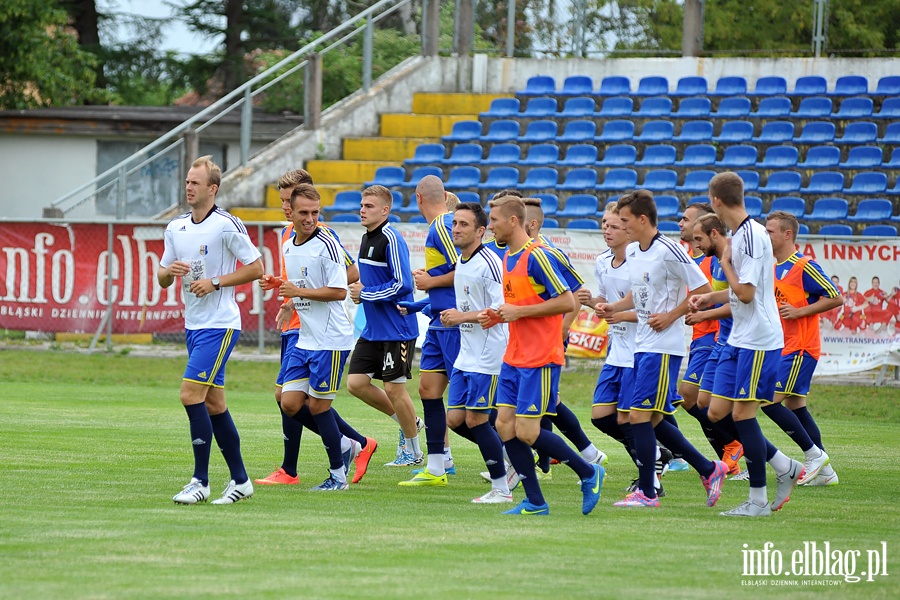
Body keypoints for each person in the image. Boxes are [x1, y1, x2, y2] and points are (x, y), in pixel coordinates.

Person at [596, 189, 727, 509]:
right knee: (648, 418)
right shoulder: (637, 253)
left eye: (624, 221)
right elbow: (639, 295)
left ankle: (647, 491)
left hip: (663, 346)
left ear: (642, 219)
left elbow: (704, 290)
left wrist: (671, 315)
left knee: (637, 416)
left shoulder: (668, 250)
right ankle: (710, 469)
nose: (620, 226)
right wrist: (613, 308)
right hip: (642, 344)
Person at [690, 172, 809, 517]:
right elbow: (738, 291)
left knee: (742, 414)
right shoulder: (741, 236)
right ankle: (785, 465)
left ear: (715, 200)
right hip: (738, 337)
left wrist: (725, 264)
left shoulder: (752, 236)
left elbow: (746, 292)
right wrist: (710, 297)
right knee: (714, 410)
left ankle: (758, 500)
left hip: (758, 340)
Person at [478, 195, 603, 516]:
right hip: (514, 356)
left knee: (528, 432)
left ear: (513, 221)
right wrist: (496, 315)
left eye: (493, 221)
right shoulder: (507, 257)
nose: (489, 226)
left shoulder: (538, 256)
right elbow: (518, 305)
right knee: (504, 425)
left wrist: (518, 312)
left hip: (540, 357)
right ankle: (535, 501)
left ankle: (589, 471)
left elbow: (567, 302)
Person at [255, 169, 378, 486]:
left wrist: (298, 294)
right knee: (290, 401)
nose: (290, 208)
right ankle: (348, 445)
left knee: (316, 405)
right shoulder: (286, 239)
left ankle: (334, 464)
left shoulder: (327, 238)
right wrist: (285, 293)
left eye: (293, 201)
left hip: (326, 335)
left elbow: (343, 281)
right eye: (286, 202)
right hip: (303, 331)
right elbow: (300, 282)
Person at [159, 155, 264, 505]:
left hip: (220, 325)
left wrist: (215, 282)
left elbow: (257, 267)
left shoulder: (227, 225)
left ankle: (200, 481)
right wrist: (169, 271)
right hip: (194, 325)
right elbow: (161, 278)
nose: (188, 187)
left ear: (212, 188)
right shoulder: (176, 228)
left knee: (190, 395)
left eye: (195, 182)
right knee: (214, 403)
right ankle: (241, 480)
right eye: (187, 181)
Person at [522, 198, 608, 474]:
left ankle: (574, 457)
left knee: (546, 401)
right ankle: (578, 453)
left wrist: (563, 329)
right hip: (525, 339)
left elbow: (577, 294)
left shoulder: (548, 252)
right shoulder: (514, 252)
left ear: (531, 224)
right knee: (546, 400)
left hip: (547, 338)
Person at [440, 202, 514, 503]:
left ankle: (502, 487)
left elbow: (500, 310)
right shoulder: (462, 260)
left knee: (476, 420)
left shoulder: (491, 263)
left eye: (463, 225)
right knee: (455, 419)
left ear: (481, 231)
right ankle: (511, 455)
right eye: (454, 223)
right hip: (466, 354)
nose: (456, 229)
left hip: (489, 353)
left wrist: (460, 317)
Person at [347, 185, 423, 467]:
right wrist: (361, 292)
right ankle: (410, 421)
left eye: (368, 206)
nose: (362, 209)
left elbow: (403, 283)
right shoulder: (367, 238)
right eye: (362, 204)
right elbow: (374, 281)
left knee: (394, 389)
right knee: (356, 384)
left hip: (397, 329)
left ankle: (413, 452)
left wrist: (364, 294)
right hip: (374, 329)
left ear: (385, 210)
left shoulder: (391, 238)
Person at [766, 210, 842, 486]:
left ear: (788, 234)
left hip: (800, 347)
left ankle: (814, 455)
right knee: (796, 406)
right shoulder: (772, 266)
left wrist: (801, 312)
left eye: (771, 231)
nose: (766, 235)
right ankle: (825, 473)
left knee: (767, 401)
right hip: (782, 347)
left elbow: (835, 297)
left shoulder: (804, 265)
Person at [399, 175, 461, 485]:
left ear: (418, 197)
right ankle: (438, 466)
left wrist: (431, 281)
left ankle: (512, 455)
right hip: (438, 323)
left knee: (469, 403)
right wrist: (420, 301)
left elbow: (466, 267)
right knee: (428, 390)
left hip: (454, 323)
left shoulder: (442, 226)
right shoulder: (438, 227)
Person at [575, 203, 640, 481]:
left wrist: (619, 312)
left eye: (613, 226)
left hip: (640, 349)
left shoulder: (641, 263)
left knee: (637, 418)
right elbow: (606, 302)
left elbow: (653, 310)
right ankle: (654, 455)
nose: (606, 229)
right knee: (601, 416)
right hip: (616, 347)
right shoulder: (603, 261)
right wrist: (590, 301)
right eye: (604, 223)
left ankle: (651, 468)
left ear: (628, 229)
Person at [676, 204, 743, 473]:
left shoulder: (716, 259)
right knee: (697, 401)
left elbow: (730, 297)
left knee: (689, 396)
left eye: (687, 219)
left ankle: (734, 447)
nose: (682, 224)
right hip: (699, 337)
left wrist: (704, 316)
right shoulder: (695, 260)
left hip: (714, 337)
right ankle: (729, 455)